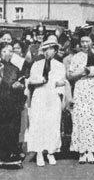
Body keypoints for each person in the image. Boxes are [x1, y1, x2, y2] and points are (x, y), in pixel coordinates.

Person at [26, 38, 67, 167]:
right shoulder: (37, 64)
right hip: (39, 95)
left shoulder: (60, 66)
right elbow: (31, 80)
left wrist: (59, 85)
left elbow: (62, 82)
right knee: (38, 122)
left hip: (53, 96)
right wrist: (40, 80)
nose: (47, 52)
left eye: (50, 49)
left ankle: (50, 152)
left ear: (55, 51)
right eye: (45, 49)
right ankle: (39, 152)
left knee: (52, 123)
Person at [68, 30, 94, 164]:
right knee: (81, 118)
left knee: (93, 117)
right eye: (82, 42)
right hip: (81, 87)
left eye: (87, 41)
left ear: (91, 42)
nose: (85, 44)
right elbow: (70, 75)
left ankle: (91, 150)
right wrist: (83, 71)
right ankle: (82, 151)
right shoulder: (76, 57)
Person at [0, 43, 25, 167]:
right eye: (4, 51)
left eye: (10, 51)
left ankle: (8, 156)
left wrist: (19, 86)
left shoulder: (15, 68)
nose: (7, 53)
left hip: (10, 104)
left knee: (10, 130)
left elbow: (22, 83)